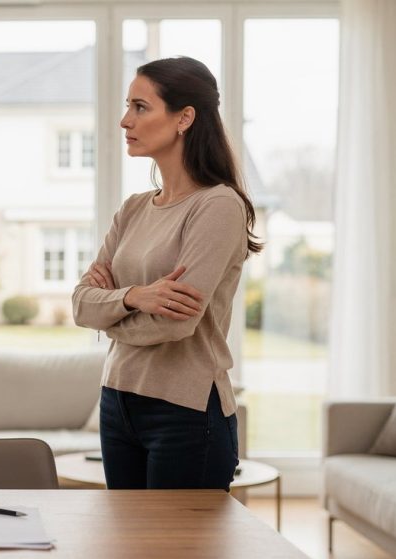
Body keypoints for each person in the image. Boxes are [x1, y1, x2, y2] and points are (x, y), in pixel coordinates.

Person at [72, 56, 262, 490]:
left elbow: (176, 324)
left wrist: (111, 316)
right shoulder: (134, 207)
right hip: (117, 399)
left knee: (179, 558)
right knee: (128, 551)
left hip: (185, 411)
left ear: (184, 118)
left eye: (140, 107)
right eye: (127, 106)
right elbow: (81, 304)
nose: (125, 121)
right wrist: (133, 297)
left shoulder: (217, 205)